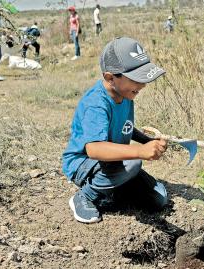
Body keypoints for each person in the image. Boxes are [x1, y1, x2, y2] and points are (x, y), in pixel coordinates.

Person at [62, 37, 168, 224]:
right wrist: (139, 152)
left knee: (158, 200)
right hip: (85, 163)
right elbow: (94, 149)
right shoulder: (96, 104)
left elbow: (124, 126)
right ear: (110, 78)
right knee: (133, 163)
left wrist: (146, 140)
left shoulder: (126, 94)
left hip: (113, 162)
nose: (142, 85)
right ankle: (86, 196)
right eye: (137, 79)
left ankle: (112, 192)